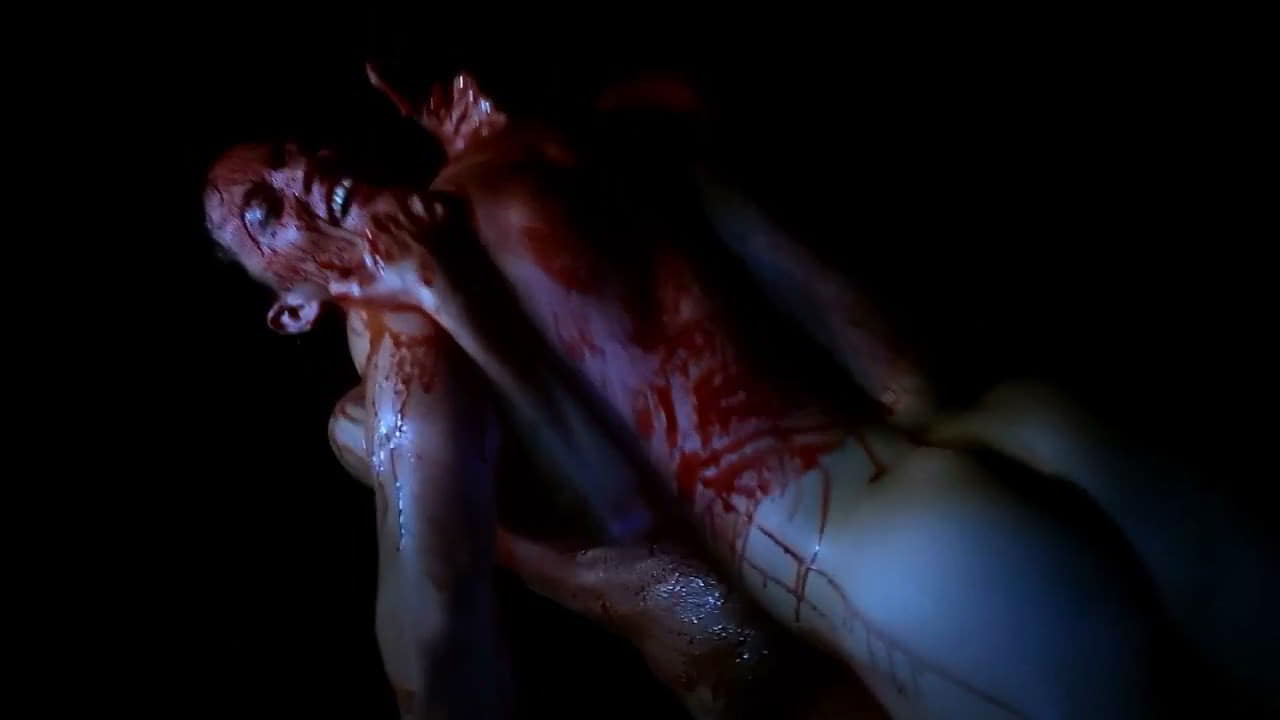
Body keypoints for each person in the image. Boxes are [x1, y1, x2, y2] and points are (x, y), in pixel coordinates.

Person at [204, 69, 1275, 718]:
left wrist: (446, 292)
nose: (301, 180)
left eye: (292, 156)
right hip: (1021, 429)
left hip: (881, 552)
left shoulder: (407, 324)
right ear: (285, 309)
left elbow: (439, 641)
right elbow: (882, 337)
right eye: (266, 212)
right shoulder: (597, 125)